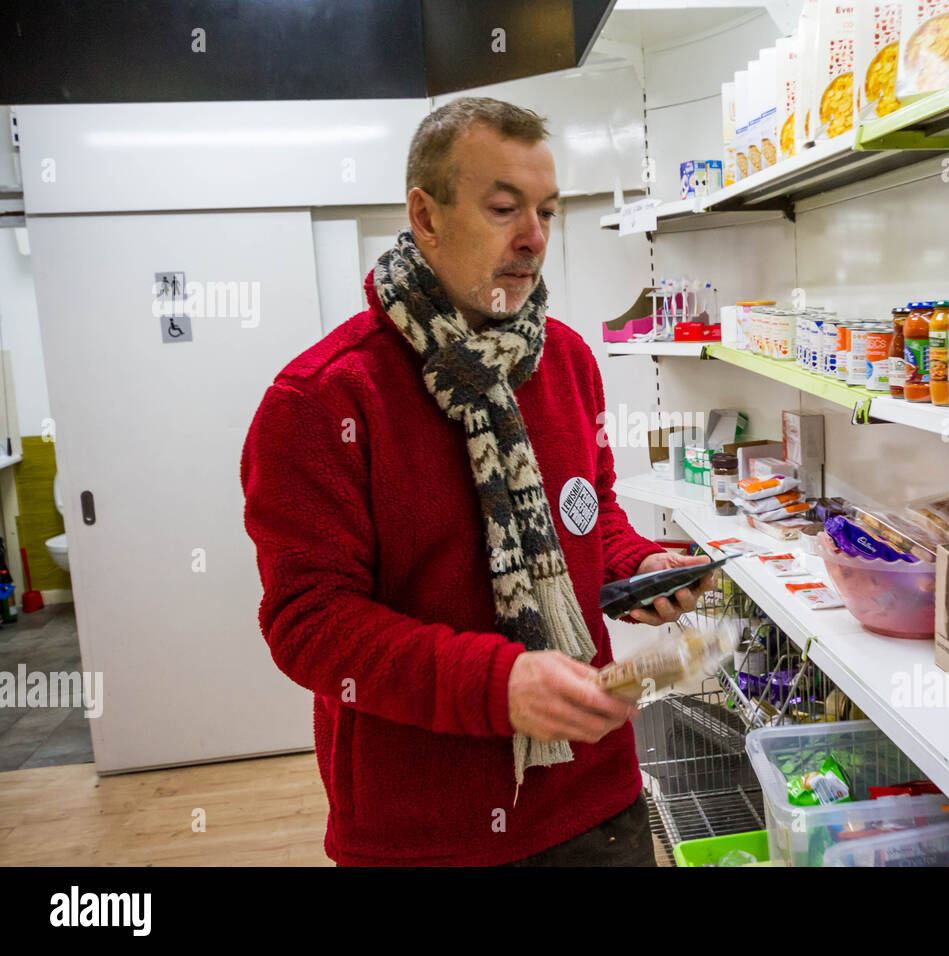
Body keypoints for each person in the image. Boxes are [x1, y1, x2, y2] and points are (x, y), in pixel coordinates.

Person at [240, 97, 713, 866]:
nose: (533, 238)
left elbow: (593, 518)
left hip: (596, 798)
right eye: (503, 209)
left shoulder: (564, 361)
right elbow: (308, 623)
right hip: (426, 831)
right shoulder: (323, 398)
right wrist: (497, 683)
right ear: (425, 216)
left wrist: (639, 568)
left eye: (547, 212)